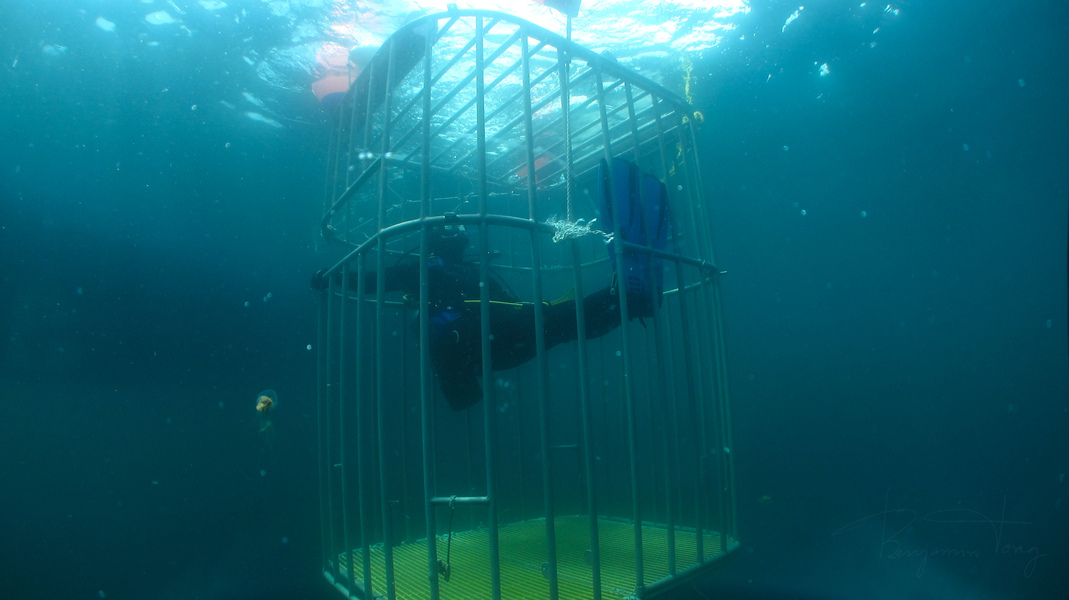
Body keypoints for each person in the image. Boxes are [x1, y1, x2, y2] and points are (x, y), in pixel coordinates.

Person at [313, 224, 649, 411]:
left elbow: (509, 306)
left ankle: (626, 303)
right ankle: (623, 298)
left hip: (496, 341)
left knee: (560, 326)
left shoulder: (472, 269)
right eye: (450, 228)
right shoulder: (421, 269)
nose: (458, 231)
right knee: (555, 321)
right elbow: (375, 280)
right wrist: (333, 277)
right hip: (474, 340)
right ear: (436, 239)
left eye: (459, 228)